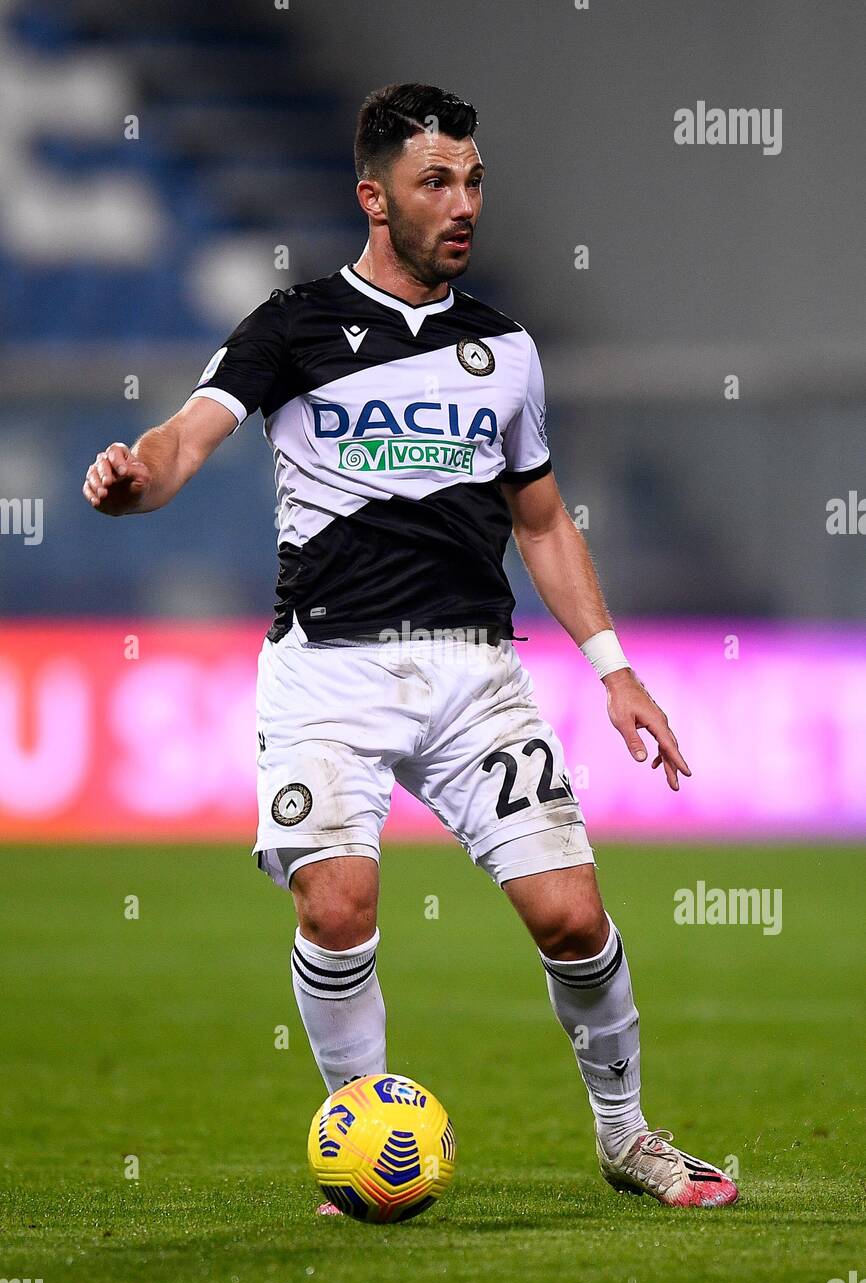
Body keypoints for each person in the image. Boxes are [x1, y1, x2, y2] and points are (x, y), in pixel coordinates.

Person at [83, 82, 738, 1210]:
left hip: (473, 672)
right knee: (335, 905)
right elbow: (187, 435)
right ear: (373, 197)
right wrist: (134, 477)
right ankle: (366, 1147)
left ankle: (627, 1137)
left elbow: (540, 519)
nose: (463, 201)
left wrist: (612, 666)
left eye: (473, 178)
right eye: (436, 180)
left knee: (572, 917)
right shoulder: (290, 326)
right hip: (327, 673)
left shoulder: (505, 348)